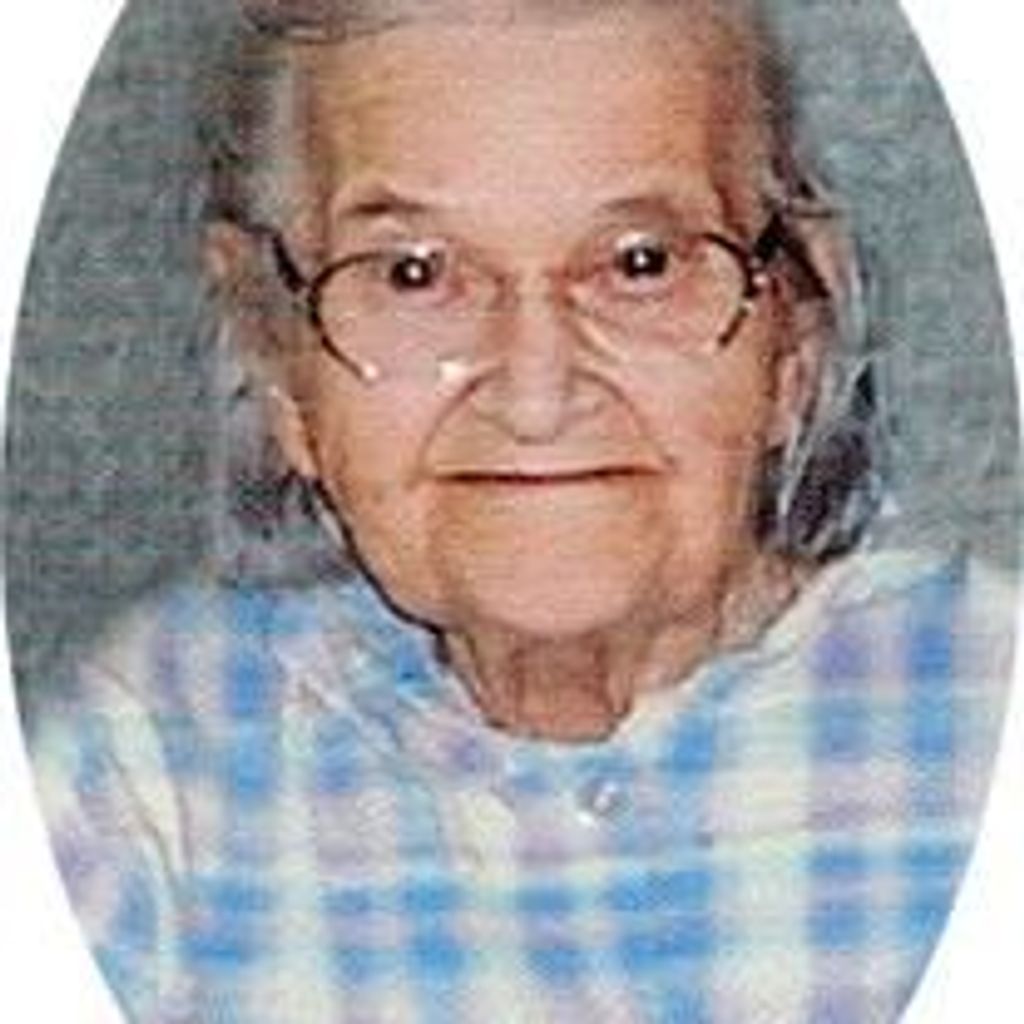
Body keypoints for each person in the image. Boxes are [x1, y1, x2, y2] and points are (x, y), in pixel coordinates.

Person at [25, 1, 1013, 1021]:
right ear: (277, 358)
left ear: (796, 336)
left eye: (641, 262)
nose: (536, 396)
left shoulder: (980, 710)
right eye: (414, 273)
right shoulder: (155, 761)